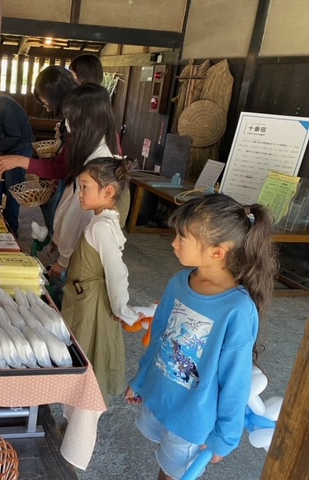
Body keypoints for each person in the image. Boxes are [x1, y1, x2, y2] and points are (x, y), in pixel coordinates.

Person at [125, 194, 278, 480]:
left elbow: (235, 380)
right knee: (165, 461)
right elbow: (159, 336)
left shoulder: (238, 310)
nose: (174, 243)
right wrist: (142, 378)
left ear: (217, 252)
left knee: (172, 475)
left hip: (193, 416)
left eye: (183, 238)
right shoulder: (179, 283)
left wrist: (226, 437)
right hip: (161, 397)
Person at [62, 157, 143, 405]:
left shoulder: (102, 228)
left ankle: (81, 419)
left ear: (108, 191)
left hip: (91, 307)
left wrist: (122, 310)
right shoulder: (99, 221)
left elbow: (116, 273)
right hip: (82, 299)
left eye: (85, 186)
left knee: (88, 359)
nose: (80, 193)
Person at [49, 84, 130, 283]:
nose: (67, 124)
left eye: (71, 117)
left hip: (79, 254)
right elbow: (71, 196)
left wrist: (64, 257)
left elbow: (79, 213)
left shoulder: (99, 158)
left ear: (87, 119)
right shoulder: (90, 148)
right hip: (73, 247)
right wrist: (58, 238)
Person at [0, 66, 78, 234]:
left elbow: (63, 168)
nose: (48, 110)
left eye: (47, 104)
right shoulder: (72, 119)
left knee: (13, 189)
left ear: (57, 94)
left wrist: (19, 160)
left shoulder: (80, 120)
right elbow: (61, 166)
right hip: (74, 186)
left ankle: (12, 228)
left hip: (78, 190)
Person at [0, 93, 35, 236]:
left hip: (20, 149)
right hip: (7, 147)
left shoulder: (4, 106)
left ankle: (11, 229)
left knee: (13, 190)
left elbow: (14, 136)